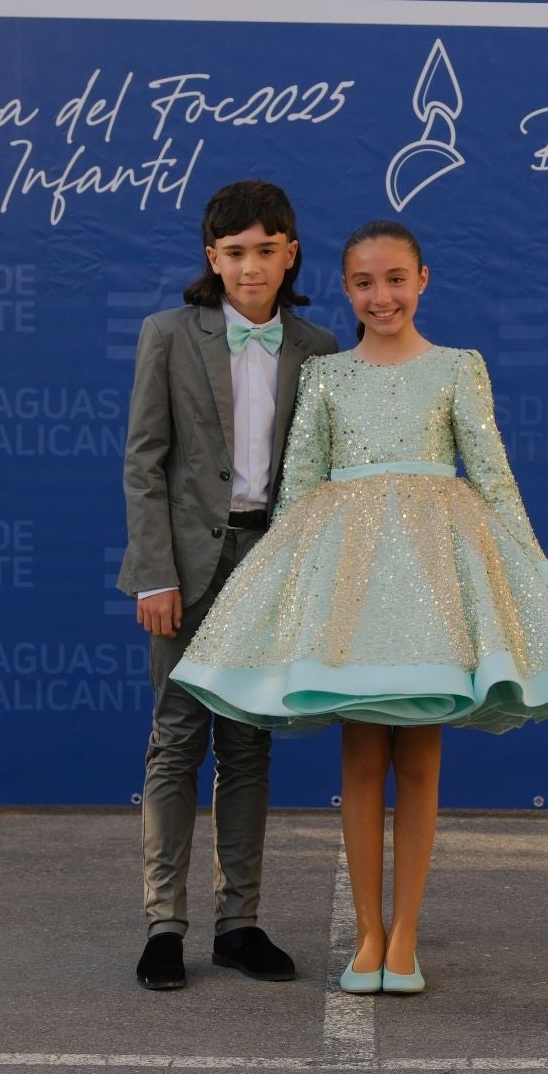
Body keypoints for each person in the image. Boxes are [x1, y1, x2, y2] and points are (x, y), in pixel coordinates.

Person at [170, 220, 548, 995]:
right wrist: (273, 590)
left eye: (394, 279)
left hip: (431, 577)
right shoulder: (326, 375)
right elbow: (300, 490)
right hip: (350, 584)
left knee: (419, 758)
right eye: (363, 282)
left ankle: (406, 934)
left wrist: (543, 575)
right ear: (345, 289)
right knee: (361, 759)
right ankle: (368, 934)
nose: (380, 295)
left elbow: (493, 476)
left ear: (424, 280)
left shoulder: (458, 368)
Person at [117, 180, 340, 991]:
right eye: (235, 253)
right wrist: (152, 574)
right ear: (213, 259)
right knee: (177, 739)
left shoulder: (319, 351)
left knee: (249, 744)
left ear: (290, 253)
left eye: (267, 250)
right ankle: (163, 925)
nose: (252, 267)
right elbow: (145, 463)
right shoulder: (168, 334)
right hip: (182, 568)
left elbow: (323, 478)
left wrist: (308, 578)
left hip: (270, 565)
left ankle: (239, 923)